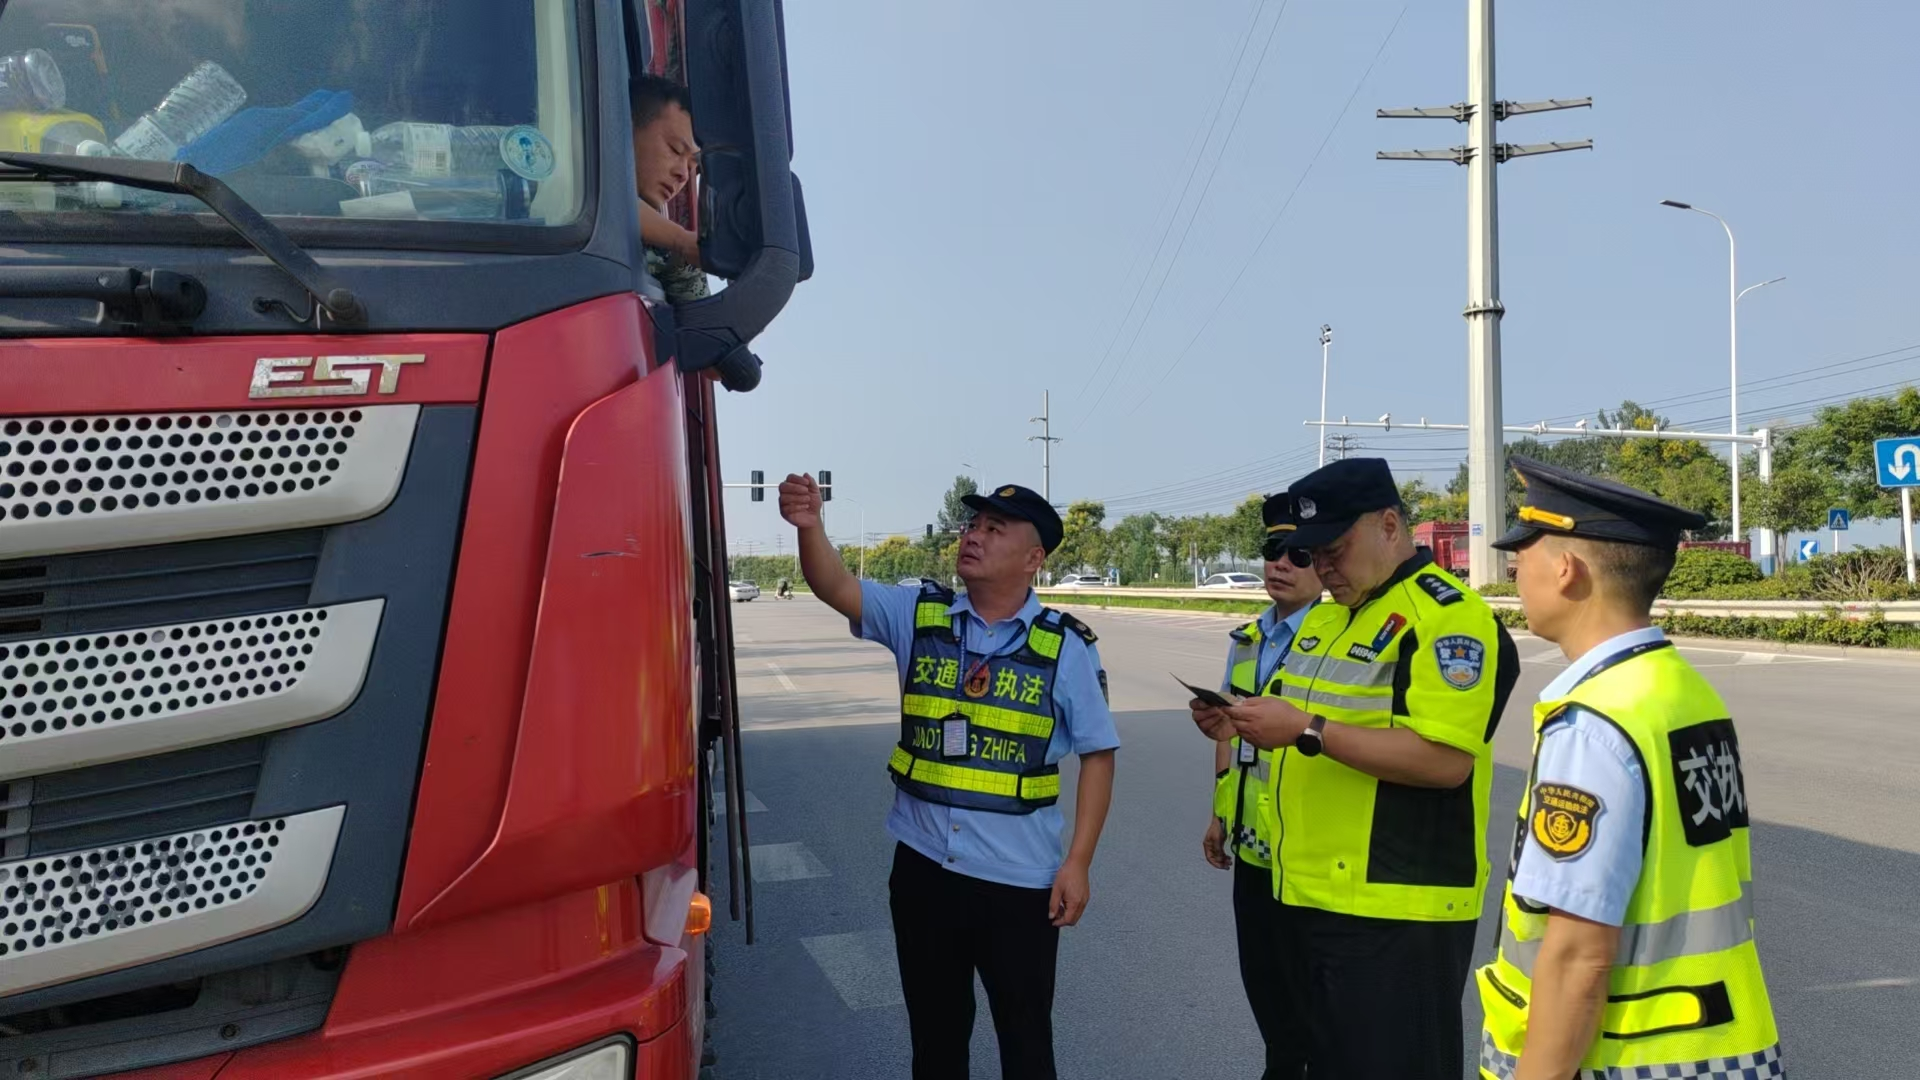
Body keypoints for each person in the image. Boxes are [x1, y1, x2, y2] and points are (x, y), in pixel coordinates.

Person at [778, 474, 1119, 1080]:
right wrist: (810, 528)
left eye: (995, 529)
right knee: (935, 1043)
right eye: (972, 525)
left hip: (1019, 883)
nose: (973, 536)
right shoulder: (919, 615)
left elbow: (1098, 754)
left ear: (1033, 559)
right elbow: (834, 585)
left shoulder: (1065, 648)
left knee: (1026, 1045)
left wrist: (1079, 862)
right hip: (924, 871)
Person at [1191, 457, 1519, 1079]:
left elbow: (1446, 761)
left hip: (1397, 912)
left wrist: (1307, 731)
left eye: (1334, 550)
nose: (1324, 568)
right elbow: (1296, 721)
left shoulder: (1447, 618)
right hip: (1307, 897)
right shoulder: (1327, 619)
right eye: (1313, 554)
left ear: (1389, 526)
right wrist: (1239, 722)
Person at [1476, 457, 1783, 1080]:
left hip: (1628, 1057)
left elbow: (1577, 957)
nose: (1514, 573)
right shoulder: (1682, 689)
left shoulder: (1593, 722)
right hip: (1720, 1046)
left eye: (1522, 557)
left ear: (1566, 569)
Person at [1193, 493, 1322, 1080]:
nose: (1281, 564)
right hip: (1251, 843)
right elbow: (1230, 729)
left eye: (1298, 554)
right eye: (1273, 550)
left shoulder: (1333, 642)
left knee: (1306, 997)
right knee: (1263, 983)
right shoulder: (1246, 639)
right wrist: (1219, 813)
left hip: (1304, 850)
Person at [629, 73, 707, 302]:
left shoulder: (667, 254)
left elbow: (702, 316)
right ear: (626, 127)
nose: (683, 174)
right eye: (675, 150)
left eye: (692, 167)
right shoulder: (575, 182)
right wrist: (681, 240)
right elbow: (609, 202)